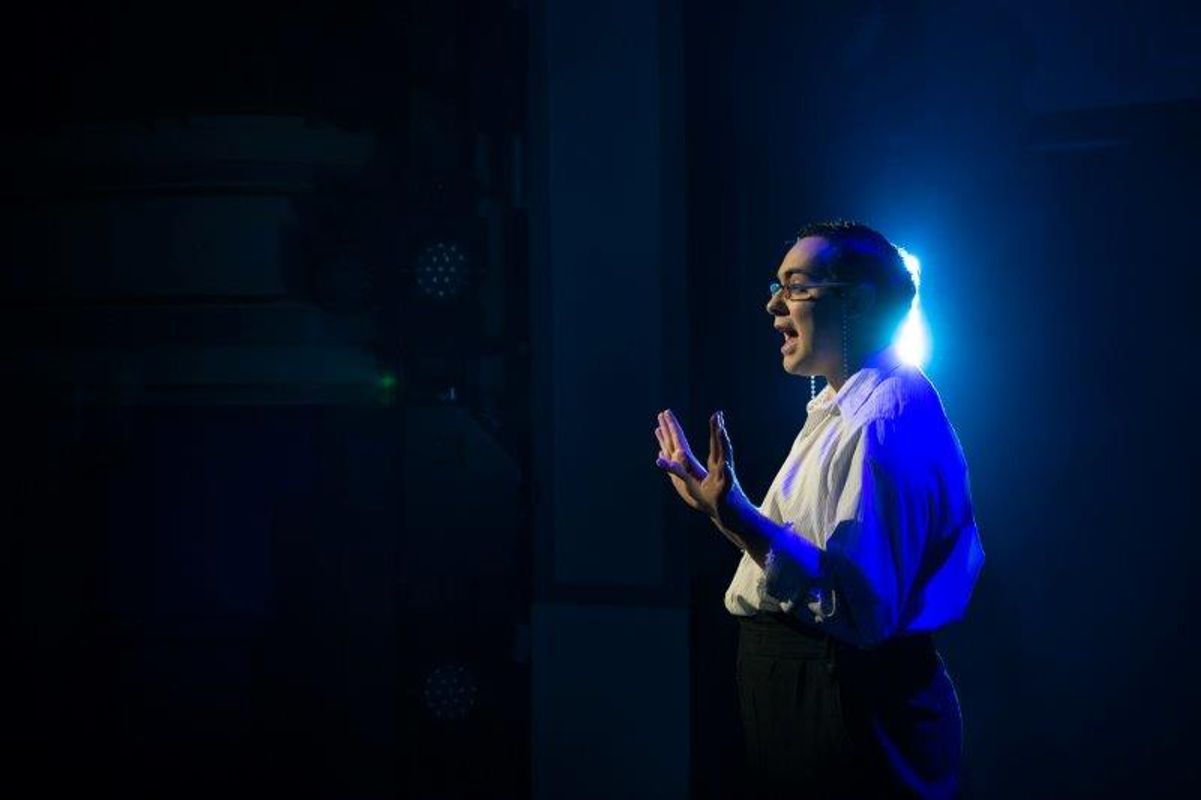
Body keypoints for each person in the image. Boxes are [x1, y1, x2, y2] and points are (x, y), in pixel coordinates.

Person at [653, 221, 984, 799]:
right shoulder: (841, 404)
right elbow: (809, 562)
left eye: (796, 286)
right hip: (810, 686)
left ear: (855, 300)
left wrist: (737, 515)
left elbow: (860, 609)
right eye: (776, 285)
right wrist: (724, 513)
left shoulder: (881, 422)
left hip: (841, 696)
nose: (773, 304)